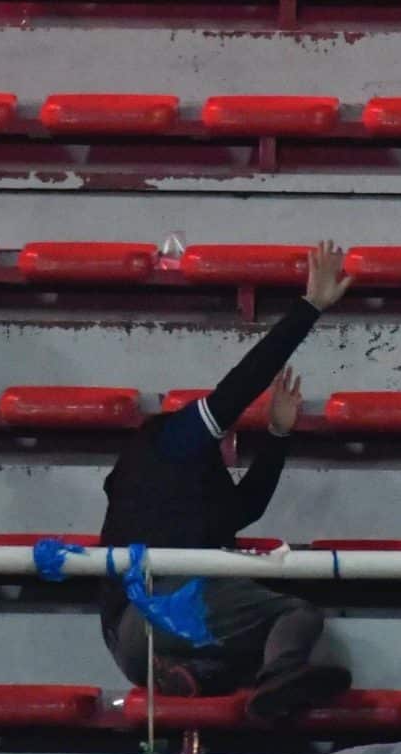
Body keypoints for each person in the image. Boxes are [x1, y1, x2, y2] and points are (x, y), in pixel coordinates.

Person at [98, 241, 353, 726]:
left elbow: (246, 507)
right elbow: (240, 386)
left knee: (242, 657)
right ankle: (280, 679)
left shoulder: (177, 490)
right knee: (296, 617)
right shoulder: (170, 440)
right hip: (158, 608)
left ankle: (193, 675)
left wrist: (277, 434)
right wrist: (310, 307)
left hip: (130, 641)